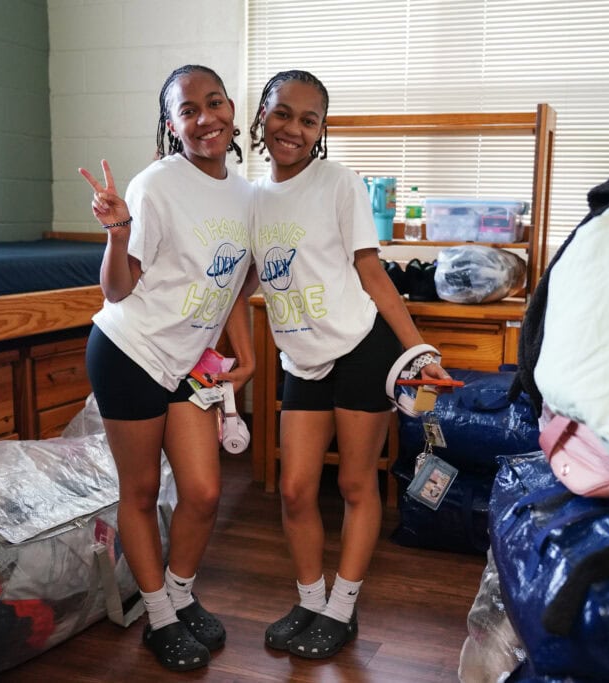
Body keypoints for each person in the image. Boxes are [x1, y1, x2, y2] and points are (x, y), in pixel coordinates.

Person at [247, 69, 451, 659]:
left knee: (357, 483)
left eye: (309, 119)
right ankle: (310, 599)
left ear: (321, 130)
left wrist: (417, 349)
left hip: (362, 346)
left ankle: (342, 608)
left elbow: (371, 273)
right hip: (303, 356)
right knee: (293, 488)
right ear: (263, 114)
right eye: (283, 112)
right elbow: (245, 277)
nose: (293, 128)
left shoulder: (339, 184)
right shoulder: (252, 198)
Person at [78, 64, 255, 673]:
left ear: (232, 107)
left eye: (214, 103)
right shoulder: (156, 183)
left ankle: (179, 595)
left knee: (204, 492)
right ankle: (157, 617)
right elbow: (118, 290)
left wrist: (246, 349)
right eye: (188, 110)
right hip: (130, 351)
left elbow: (235, 281)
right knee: (144, 489)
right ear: (171, 124)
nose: (205, 118)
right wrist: (116, 231)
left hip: (188, 361)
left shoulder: (244, 192)